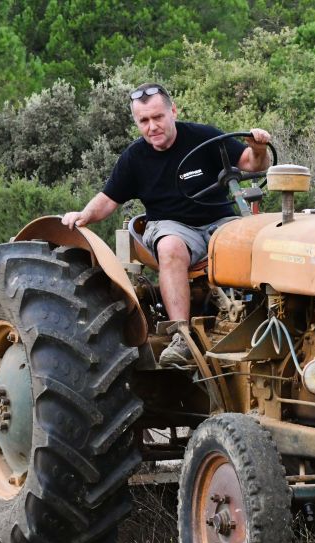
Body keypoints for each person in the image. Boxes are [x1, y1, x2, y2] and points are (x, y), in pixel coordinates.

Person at [61, 83, 271, 365]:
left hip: (220, 222)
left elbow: (253, 164)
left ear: (173, 111)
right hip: (171, 225)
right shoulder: (134, 158)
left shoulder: (203, 137)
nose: (152, 127)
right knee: (171, 247)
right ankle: (181, 337)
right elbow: (109, 199)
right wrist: (83, 215)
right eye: (144, 121)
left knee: (262, 241)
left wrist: (258, 148)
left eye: (158, 117)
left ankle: (270, 320)